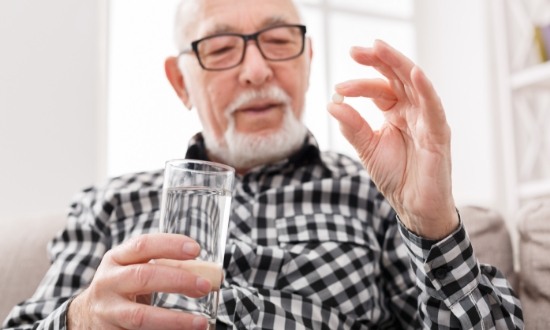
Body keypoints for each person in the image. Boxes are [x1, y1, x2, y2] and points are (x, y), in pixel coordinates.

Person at [4, 0, 523, 329]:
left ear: (307, 58)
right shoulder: (109, 204)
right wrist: (82, 319)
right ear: (181, 81)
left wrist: (432, 224)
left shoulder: (375, 193)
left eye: (278, 41)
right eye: (222, 48)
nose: (256, 71)